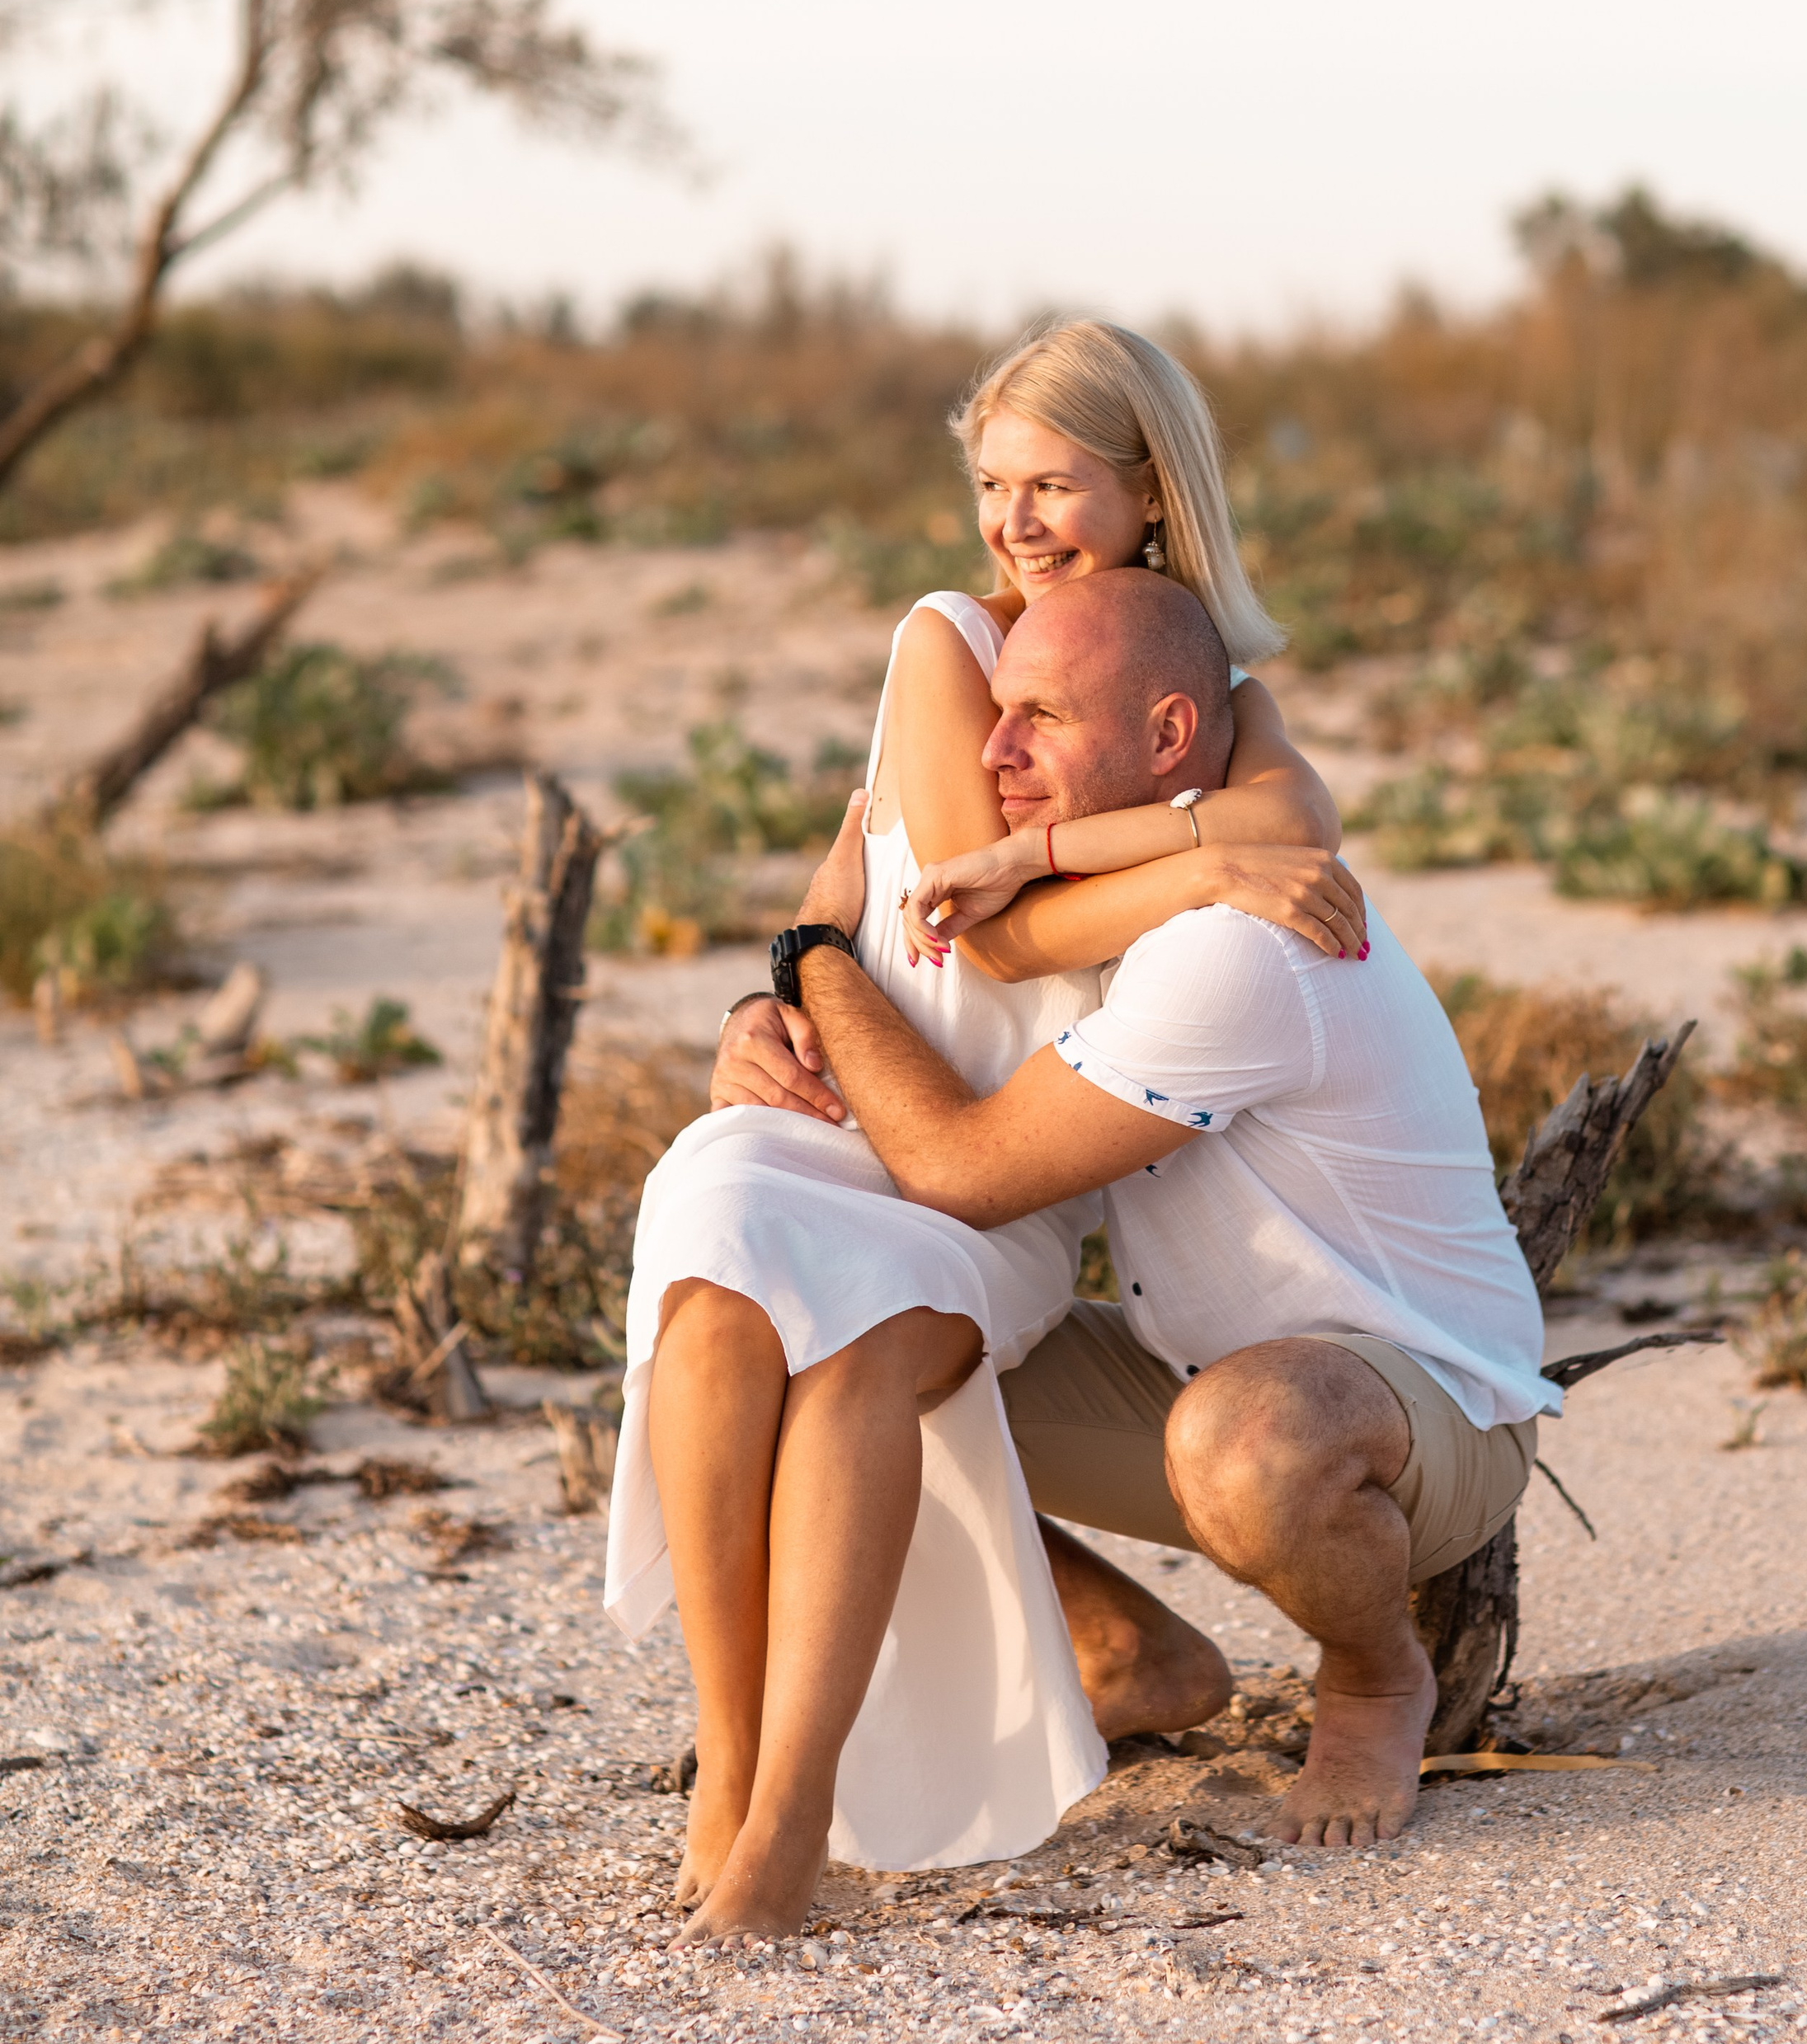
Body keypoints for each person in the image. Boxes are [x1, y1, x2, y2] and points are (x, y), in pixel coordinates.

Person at [602, 322, 1366, 1933]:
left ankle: (795, 1820)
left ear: (1149, 489)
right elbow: (961, 918)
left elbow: (1300, 821)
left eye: (1051, 484)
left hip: (983, 1166)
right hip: (840, 1108)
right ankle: (730, 1764)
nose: (1016, 521)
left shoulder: (1209, 686)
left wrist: (1181, 843)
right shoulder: (947, 642)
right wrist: (779, 985)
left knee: (874, 1349)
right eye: (990, 485)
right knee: (717, 1292)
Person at [699, 569, 1557, 1938]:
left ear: (1167, 740)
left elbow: (960, 1169)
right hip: (1191, 1377)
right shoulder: (1128, 917)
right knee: (841, 1348)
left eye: (1039, 715)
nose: (993, 751)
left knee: (1251, 1444)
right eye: (994, 712)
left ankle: (1375, 1672)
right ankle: (1127, 1650)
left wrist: (812, 952)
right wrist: (763, 1009)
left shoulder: (1234, 948)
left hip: (1422, 1402)